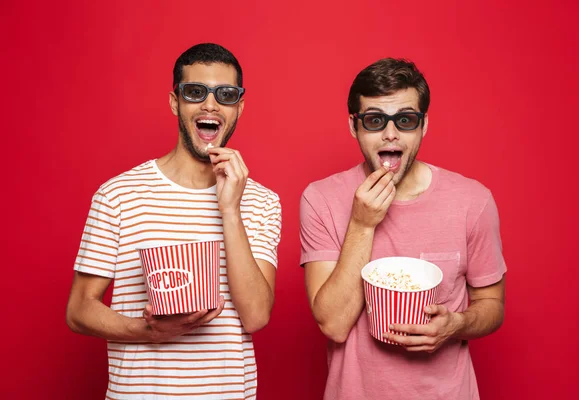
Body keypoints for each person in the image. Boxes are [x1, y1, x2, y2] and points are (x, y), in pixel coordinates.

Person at [66, 43, 282, 399]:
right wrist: (149, 332)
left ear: (239, 108)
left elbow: (256, 316)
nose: (210, 105)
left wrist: (229, 209)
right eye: (195, 92)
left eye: (225, 95)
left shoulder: (261, 200)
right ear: (175, 102)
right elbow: (78, 310)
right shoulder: (118, 194)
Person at [300, 58, 506, 400]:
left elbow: (492, 303)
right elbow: (333, 325)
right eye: (375, 120)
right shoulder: (320, 199)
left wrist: (456, 325)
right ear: (354, 126)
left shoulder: (474, 201)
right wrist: (362, 224)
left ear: (423, 126)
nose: (391, 133)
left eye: (406, 120)